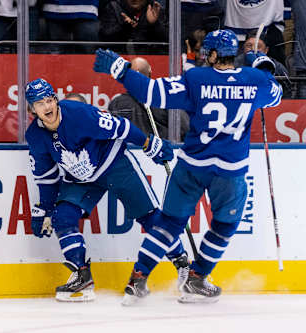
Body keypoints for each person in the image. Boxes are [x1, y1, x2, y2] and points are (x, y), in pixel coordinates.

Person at [93, 29, 283, 304]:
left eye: (208, 51)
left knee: (169, 223)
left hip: (192, 165)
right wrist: (263, 67)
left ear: (215, 54)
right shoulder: (254, 80)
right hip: (230, 172)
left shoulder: (196, 78)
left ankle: (138, 279)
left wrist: (120, 69)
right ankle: (197, 279)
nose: (204, 56)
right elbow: (276, 93)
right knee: (224, 225)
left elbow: (151, 93)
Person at [25, 78, 190, 302]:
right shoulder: (35, 135)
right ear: (31, 109)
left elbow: (121, 126)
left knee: (151, 219)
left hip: (114, 165)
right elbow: (46, 176)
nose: (47, 107)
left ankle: (184, 265)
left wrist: (148, 143)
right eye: (40, 103)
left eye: (50, 100)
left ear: (56, 100)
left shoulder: (79, 113)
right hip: (82, 178)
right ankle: (82, 275)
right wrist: (45, 208)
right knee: (62, 217)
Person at [109, 57, 189, 140]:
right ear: (150, 74)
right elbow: (185, 128)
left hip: (127, 151)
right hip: (161, 149)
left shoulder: (115, 103)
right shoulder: (166, 100)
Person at [99, 0, 168, 54]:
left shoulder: (155, 9)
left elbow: (168, 39)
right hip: (120, 58)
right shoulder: (113, 7)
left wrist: (154, 24)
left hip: (150, 57)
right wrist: (125, 27)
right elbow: (105, 37)